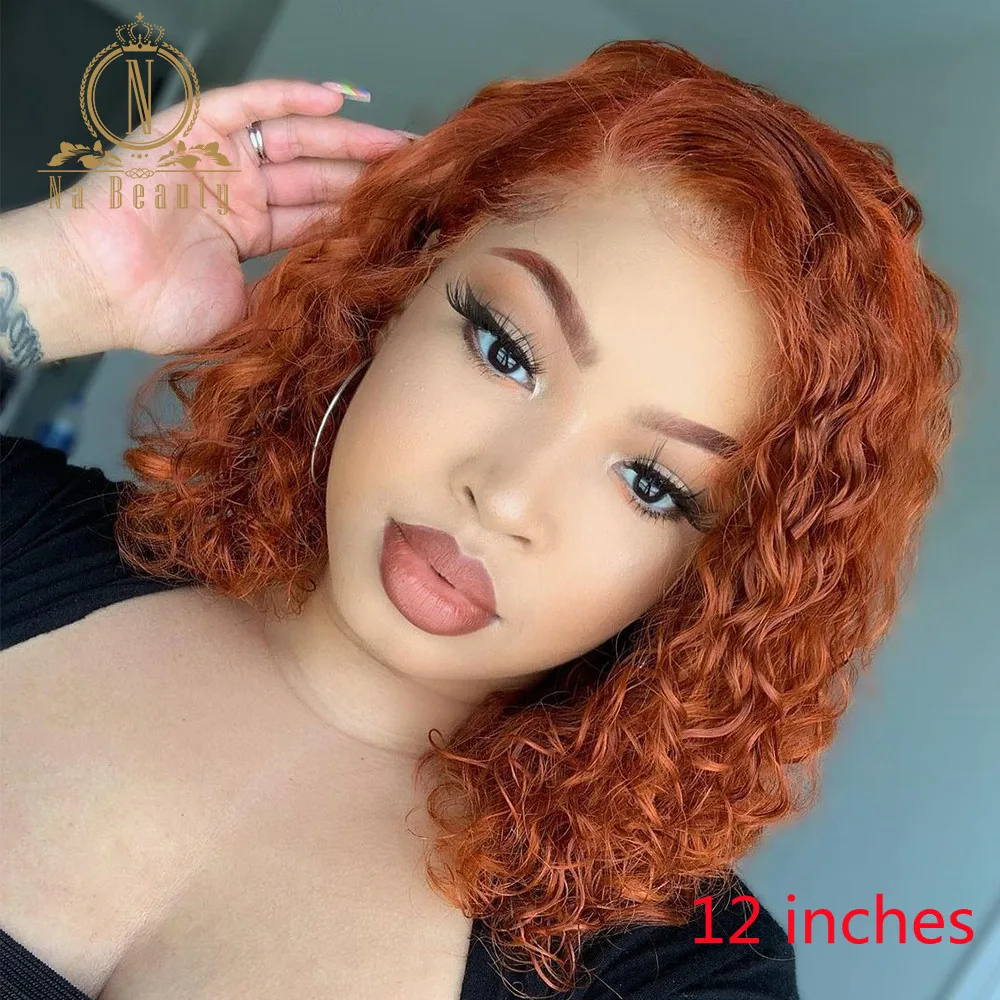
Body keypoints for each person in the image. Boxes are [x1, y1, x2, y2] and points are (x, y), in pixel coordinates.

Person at [0, 38, 958, 1000]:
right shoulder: (22, 534)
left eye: (650, 483)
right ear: (391, 296)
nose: (504, 497)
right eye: (507, 352)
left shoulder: (678, 970)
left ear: (711, 573)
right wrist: (67, 274)